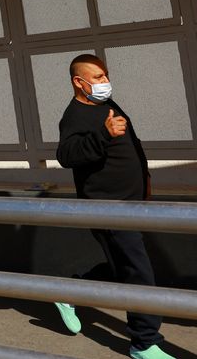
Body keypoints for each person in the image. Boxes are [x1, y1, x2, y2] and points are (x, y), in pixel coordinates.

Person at [54, 54, 174, 359]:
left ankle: (70, 292)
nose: (104, 82)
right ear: (79, 83)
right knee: (138, 271)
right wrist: (103, 135)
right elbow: (66, 154)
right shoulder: (75, 115)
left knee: (126, 266)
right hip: (107, 207)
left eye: (105, 75)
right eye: (96, 77)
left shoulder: (107, 104)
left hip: (131, 204)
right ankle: (144, 343)